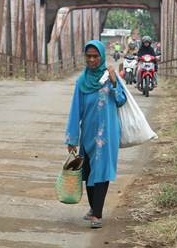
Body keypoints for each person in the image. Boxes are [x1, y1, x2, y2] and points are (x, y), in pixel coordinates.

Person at [64, 40, 127, 229]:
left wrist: (115, 81)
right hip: (89, 134)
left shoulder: (110, 77)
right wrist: (72, 138)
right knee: (89, 171)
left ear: (101, 57)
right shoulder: (82, 81)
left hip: (108, 133)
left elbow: (121, 100)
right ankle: (93, 208)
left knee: (103, 170)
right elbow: (76, 110)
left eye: (95, 56)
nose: (91, 60)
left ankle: (97, 214)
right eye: (88, 56)